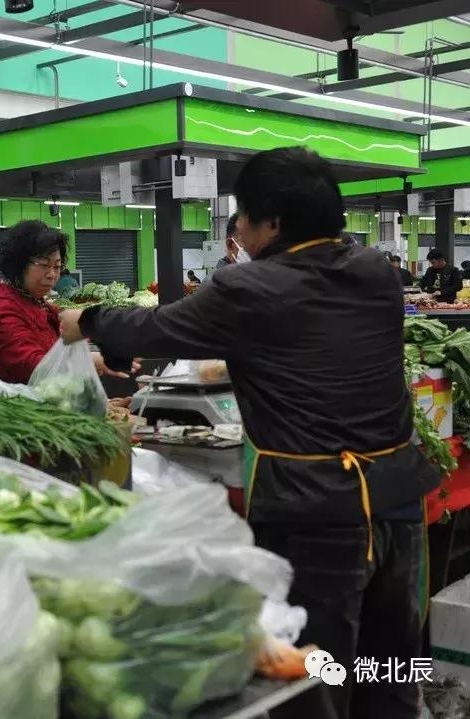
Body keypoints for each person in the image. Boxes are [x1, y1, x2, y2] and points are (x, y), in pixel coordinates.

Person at [60, 146, 438, 719]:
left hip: (316, 515)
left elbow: (155, 328)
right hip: (396, 502)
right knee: (390, 663)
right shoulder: (376, 275)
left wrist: (85, 321)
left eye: (240, 216)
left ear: (274, 224)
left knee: (315, 668)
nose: (235, 228)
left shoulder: (252, 288)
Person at [0, 220, 113, 384]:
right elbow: (38, 368)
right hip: (15, 406)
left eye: (57, 266)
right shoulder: (1, 314)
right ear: (19, 264)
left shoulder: (39, 304)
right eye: (44, 265)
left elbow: (71, 335)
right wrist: (90, 360)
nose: (52, 275)